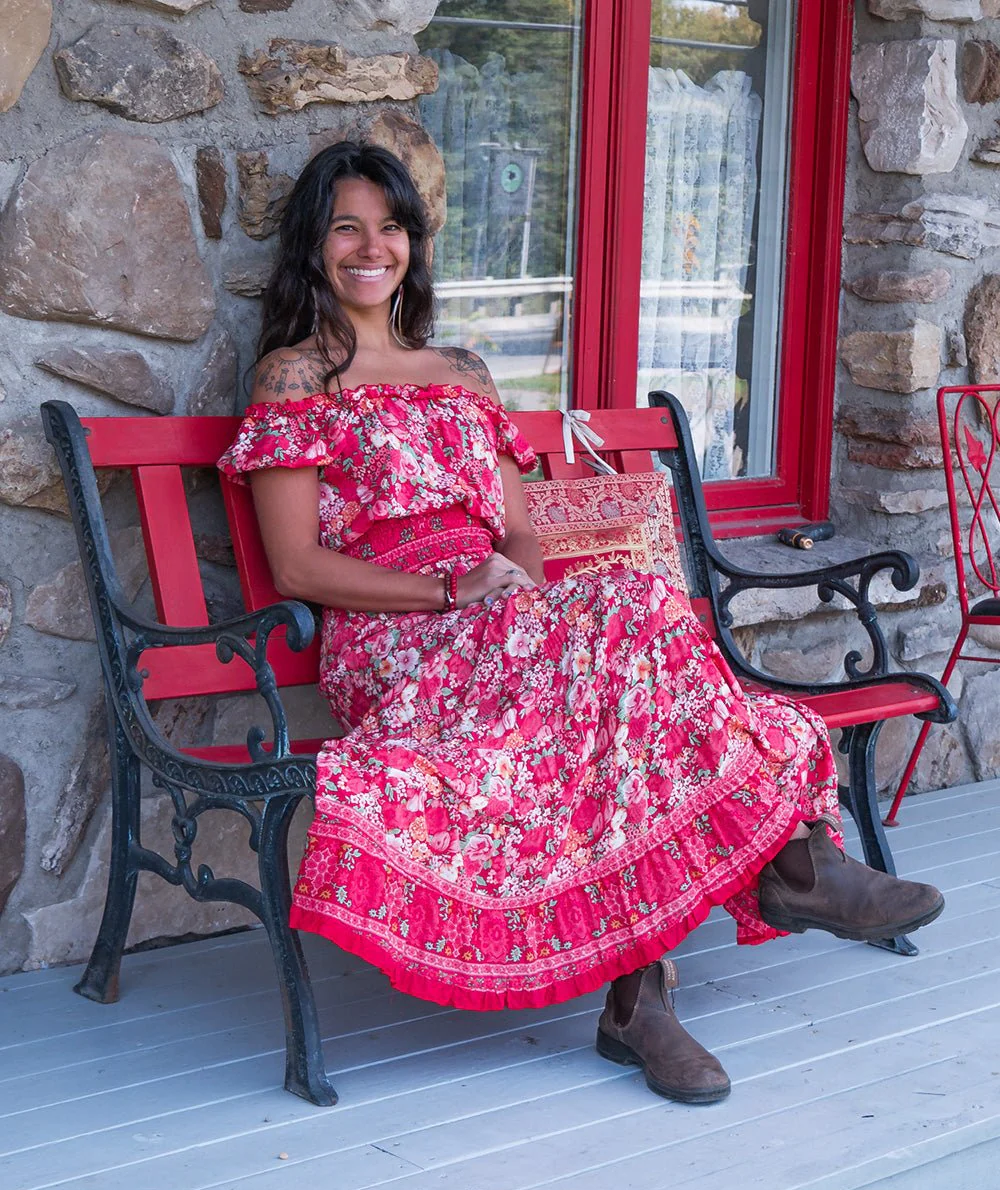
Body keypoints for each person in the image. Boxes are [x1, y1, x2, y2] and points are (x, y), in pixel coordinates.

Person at [218, 142, 944, 1105]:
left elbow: (519, 531)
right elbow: (297, 566)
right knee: (634, 618)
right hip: (392, 637)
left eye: (390, 226)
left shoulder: (465, 372)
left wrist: (509, 590)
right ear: (314, 244)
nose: (370, 246)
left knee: (620, 660)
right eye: (347, 225)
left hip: (502, 622)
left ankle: (650, 996)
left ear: (413, 244)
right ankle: (785, 873)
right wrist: (449, 596)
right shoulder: (294, 379)